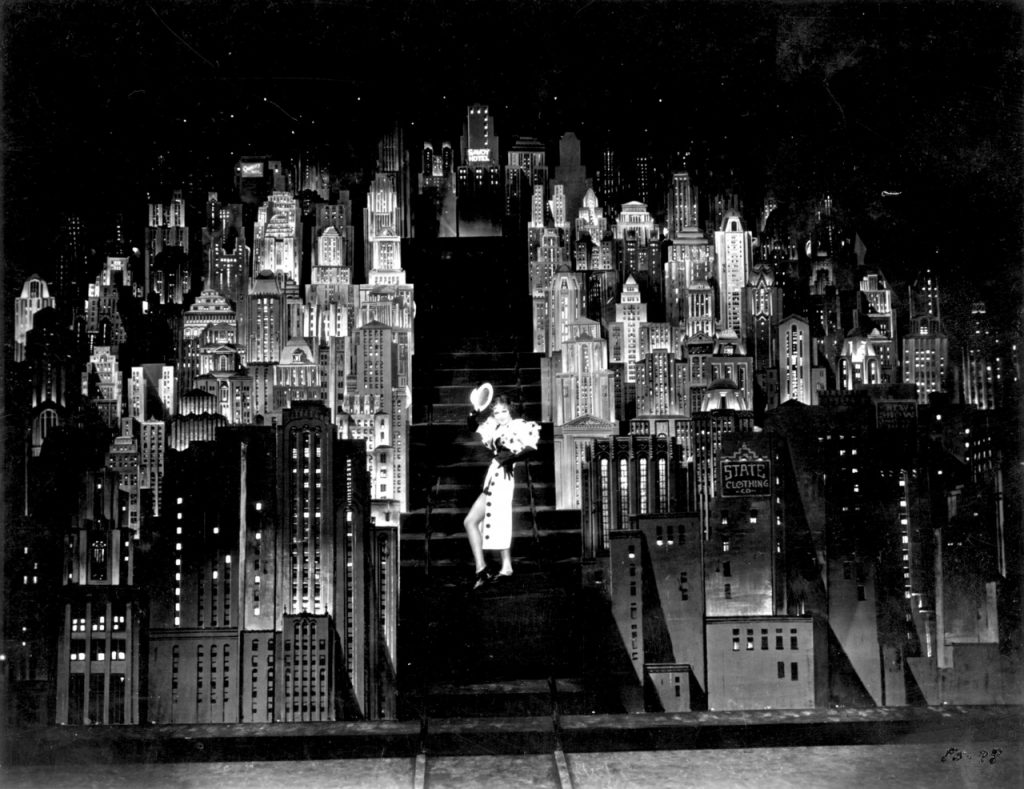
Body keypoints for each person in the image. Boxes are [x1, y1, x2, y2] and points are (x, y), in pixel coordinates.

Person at [464, 395, 540, 589]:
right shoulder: (495, 427)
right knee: (477, 521)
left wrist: (510, 460)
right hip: (494, 474)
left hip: (503, 476)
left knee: (492, 519)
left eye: (503, 411)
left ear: (510, 410)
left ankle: (490, 569)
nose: (500, 415)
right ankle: (495, 568)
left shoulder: (518, 425)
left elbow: (531, 447)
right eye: (496, 412)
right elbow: (473, 426)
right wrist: (474, 412)